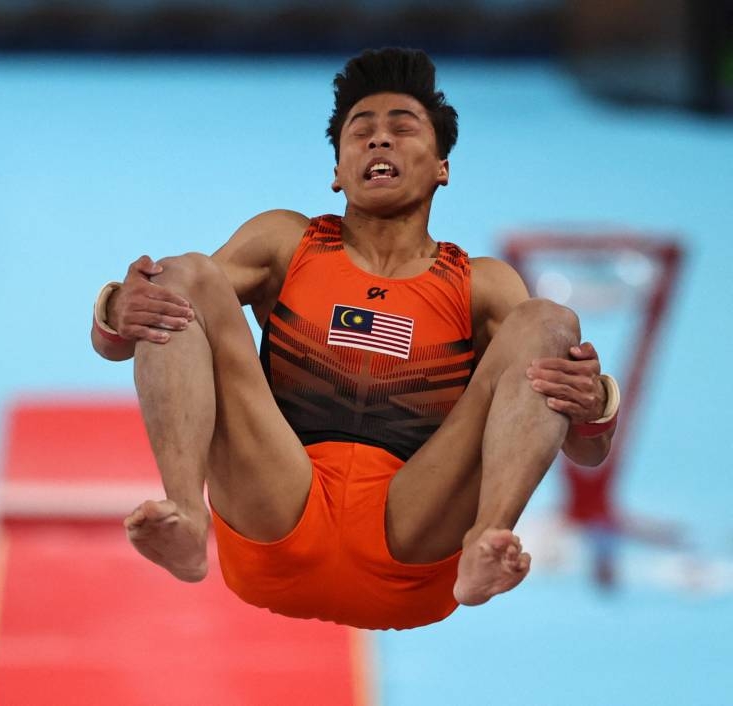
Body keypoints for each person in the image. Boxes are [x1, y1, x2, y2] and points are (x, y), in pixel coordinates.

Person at [90, 48, 620, 630]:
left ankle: (487, 539)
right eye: (360, 131)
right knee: (183, 275)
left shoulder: (482, 288)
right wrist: (119, 304)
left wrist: (593, 406)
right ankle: (187, 518)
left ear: (442, 165)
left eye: (402, 128)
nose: (379, 141)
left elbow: (586, 451)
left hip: (415, 532)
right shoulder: (285, 244)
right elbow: (126, 341)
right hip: (277, 507)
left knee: (547, 321)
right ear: (337, 171)